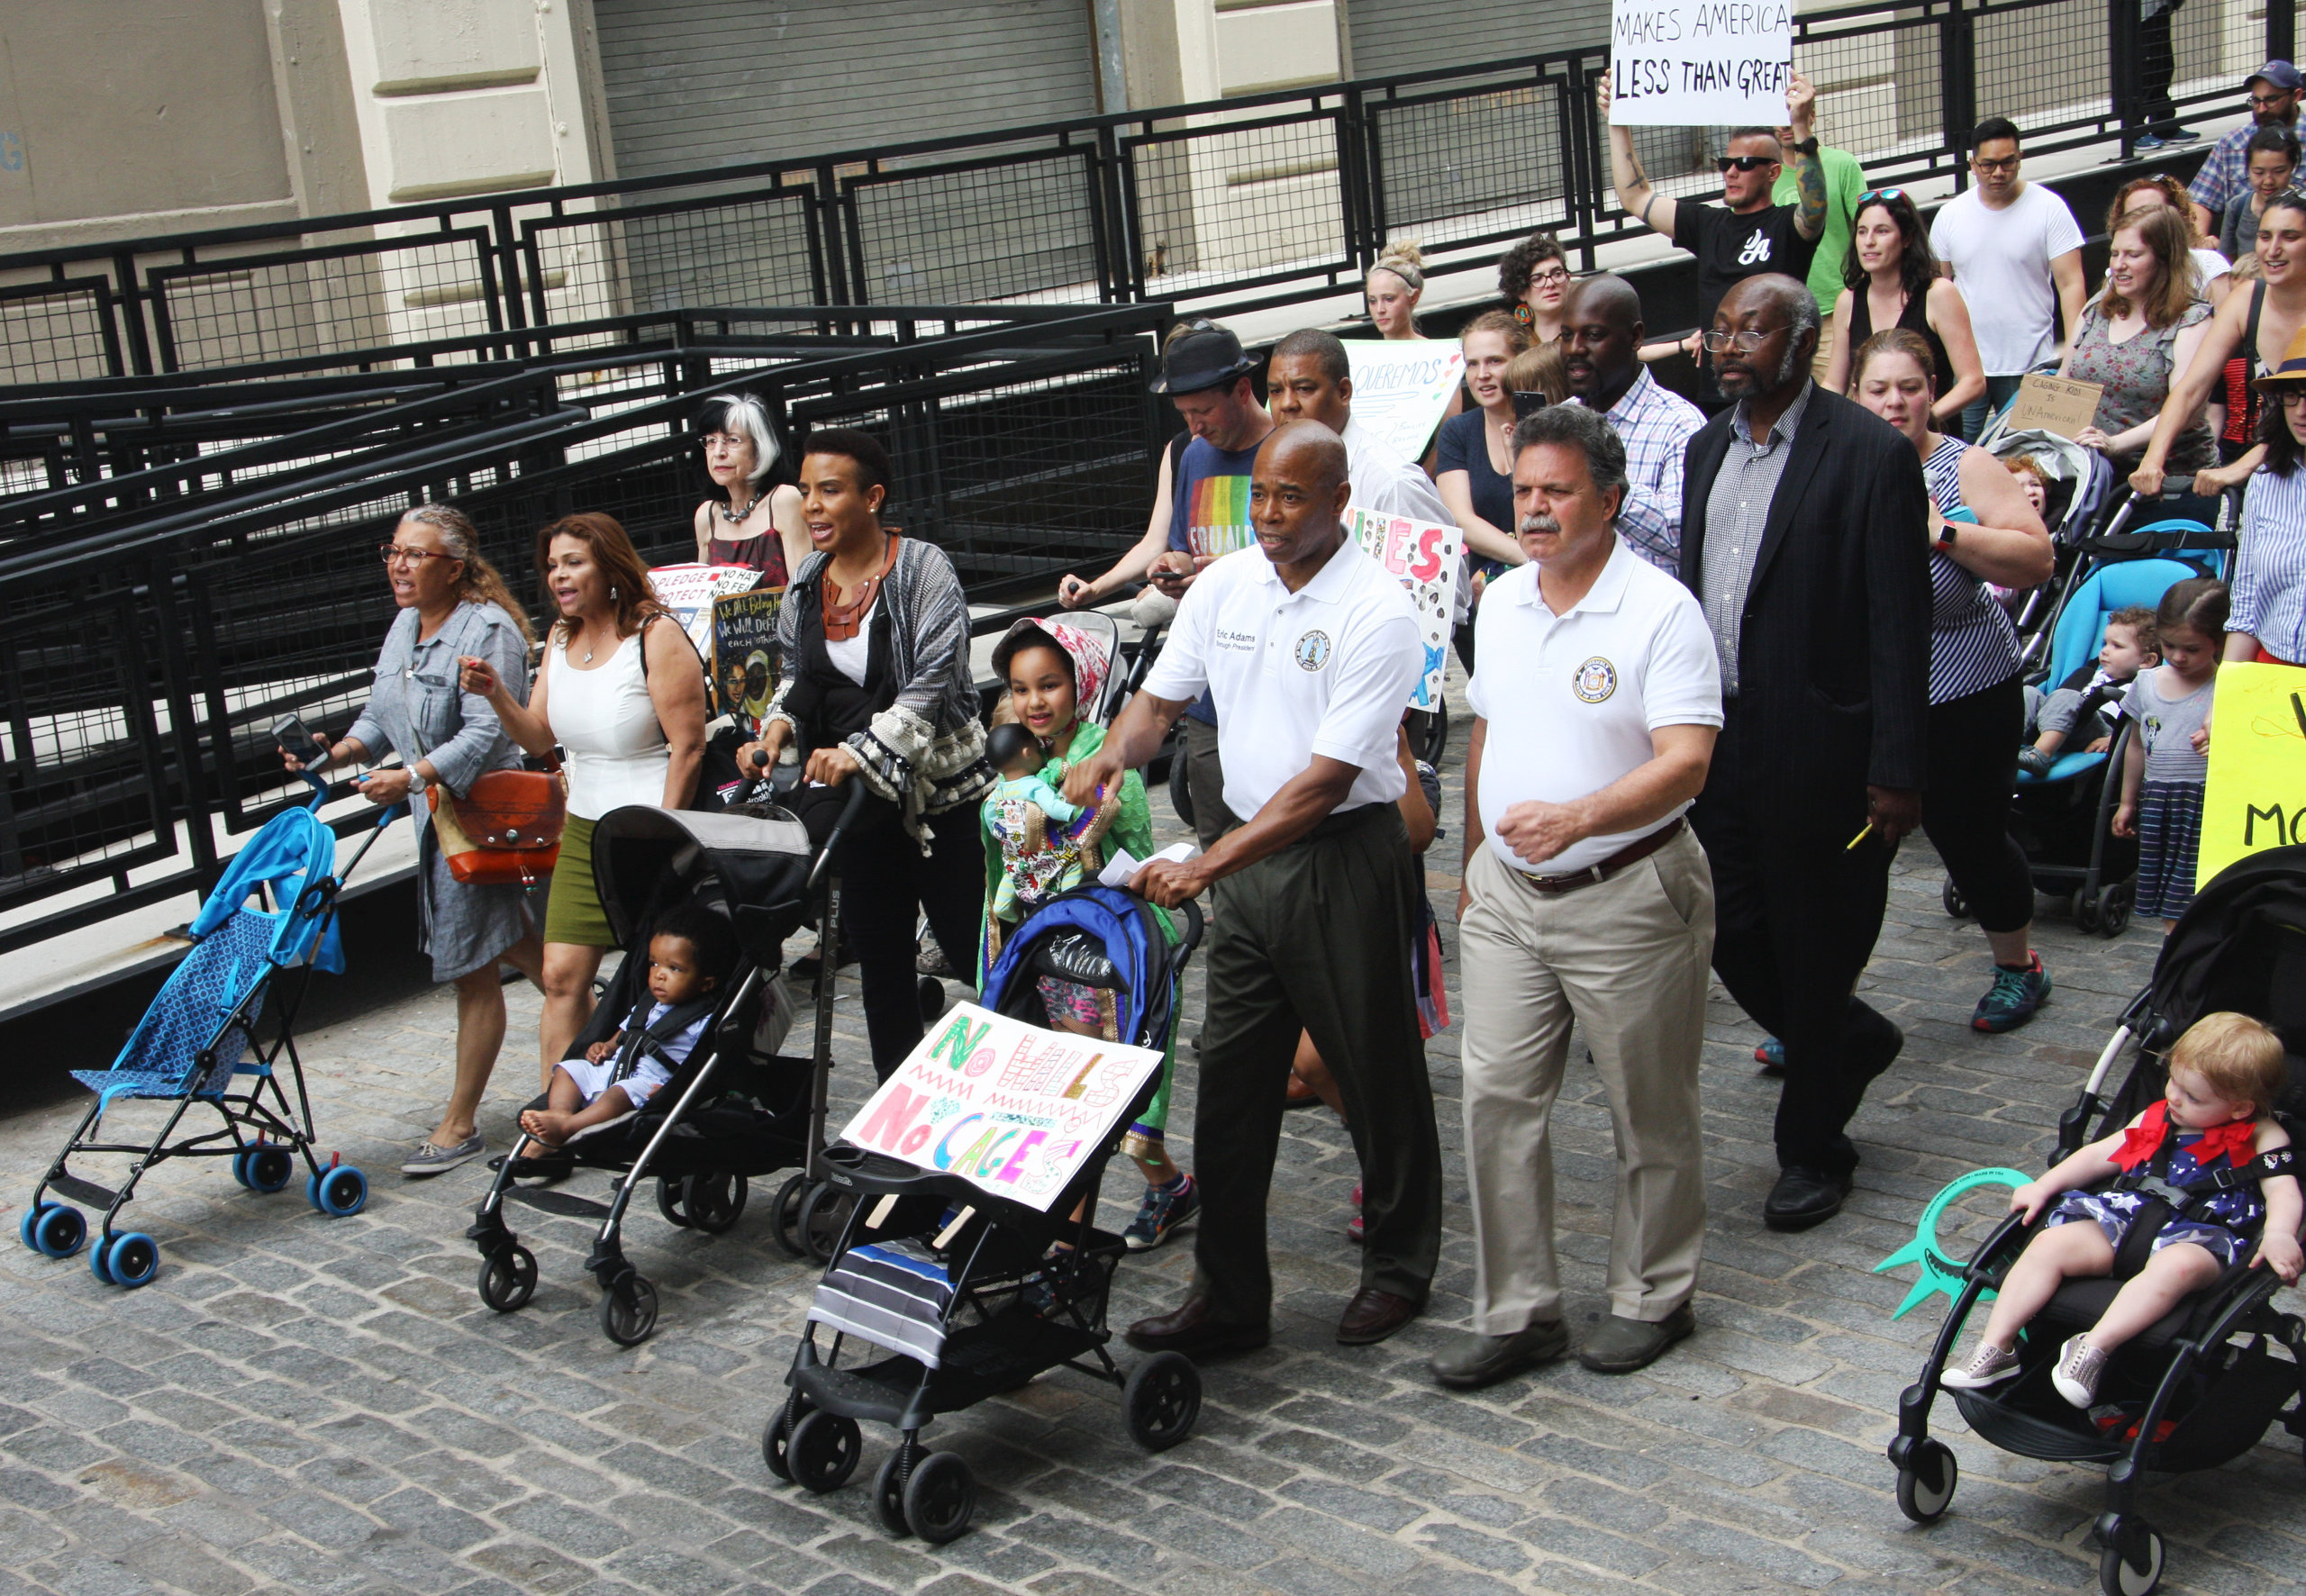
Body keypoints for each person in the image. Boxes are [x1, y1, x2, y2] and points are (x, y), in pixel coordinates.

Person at [1068, 422, 1439, 1352]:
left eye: (1291, 498)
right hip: (1246, 864)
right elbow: (1162, 701)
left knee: (1372, 1068)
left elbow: (1320, 785)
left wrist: (1203, 864)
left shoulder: (1379, 611)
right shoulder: (1226, 583)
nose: (1268, 516)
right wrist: (1112, 757)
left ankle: (1398, 1266)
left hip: (1342, 857)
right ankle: (1227, 1295)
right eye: (1259, 496)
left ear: (1338, 501)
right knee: (1231, 1074)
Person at [1426, 404, 1722, 1391]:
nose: (1537, 509)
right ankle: (1519, 1310)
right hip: (1509, 896)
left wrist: (1581, 818)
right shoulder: (1503, 602)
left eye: (1557, 491)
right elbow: (1488, 739)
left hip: (1630, 892)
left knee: (1649, 1107)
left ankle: (1653, 1295)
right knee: (1497, 1097)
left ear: (1610, 498)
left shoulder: (1660, 611)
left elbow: (1686, 764)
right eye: (1524, 492)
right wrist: (1474, 865)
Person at [1680, 275, 1932, 1231]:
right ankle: (1848, 1040)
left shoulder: (1865, 452)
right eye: (1721, 327)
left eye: (1753, 328)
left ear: (1803, 340)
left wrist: (1897, 768)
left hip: (1824, 745)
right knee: (1731, 930)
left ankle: (1814, 1148)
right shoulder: (1709, 448)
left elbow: (1896, 618)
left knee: (1817, 948)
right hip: (1719, 738)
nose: (1730, 343)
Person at [286, 505, 546, 1177]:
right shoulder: (406, 624)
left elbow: (488, 735)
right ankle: (608, 1025)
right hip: (437, 823)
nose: (399, 566)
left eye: (416, 555)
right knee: (515, 944)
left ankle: (460, 1125)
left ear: (454, 569)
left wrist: (412, 776)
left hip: (482, 818)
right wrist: (338, 751)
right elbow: (382, 712)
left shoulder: (486, 632)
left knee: (473, 970)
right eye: (393, 551)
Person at [732, 430, 992, 1080]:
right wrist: (777, 730)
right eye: (806, 492)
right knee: (881, 959)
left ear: (872, 497)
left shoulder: (922, 568)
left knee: (970, 949)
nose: (813, 507)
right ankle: (899, 1120)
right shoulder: (806, 581)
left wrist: (865, 751)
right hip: (858, 807)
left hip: (938, 798)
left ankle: (1020, 1076)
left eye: (830, 491)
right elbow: (796, 675)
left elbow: (934, 676)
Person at [1849, 330, 2056, 1033]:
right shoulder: (1838, 467)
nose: (1894, 402)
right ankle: (1822, 1004)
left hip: (1964, 690)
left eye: (1908, 387)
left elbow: (2035, 560)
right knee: (1848, 853)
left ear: (1932, 391)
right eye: (1878, 389)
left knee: (1969, 838)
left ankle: (2017, 966)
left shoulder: (1964, 467)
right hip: (1870, 698)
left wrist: (1943, 534)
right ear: (1855, 395)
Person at [1940, 1011, 2301, 1407]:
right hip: (2125, 1221)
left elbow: (2283, 1190)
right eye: (2172, 1082)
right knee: (2049, 1245)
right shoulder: (2160, 1115)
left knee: (2178, 1266)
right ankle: (1998, 1346)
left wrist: (2281, 1233)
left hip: (2200, 1238)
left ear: (2239, 1109)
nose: (2174, 1097)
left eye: (2193, 1096)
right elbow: (2100, 1155)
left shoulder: (2263, 1136)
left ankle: (2093, 1348)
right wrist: (2045, 1185)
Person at [459, 513, 707, 1087]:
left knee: (663, 978)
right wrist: (498, 692)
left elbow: (689, 747)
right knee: (561, 976)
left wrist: (668, 834)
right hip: (584, 827)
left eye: (574, 563)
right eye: (552, 566)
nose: (558, 577)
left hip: (651, 829)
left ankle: (651, 1094)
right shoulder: (561, 636)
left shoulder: (655, 634)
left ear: (611, 567)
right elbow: (540, 736)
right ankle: (553, 1111)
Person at [982, 618, 1196, 1249]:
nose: (1035, 702)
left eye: (1049, 685)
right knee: (1066, 1104)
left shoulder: (1109, 755)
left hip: (1109, 954)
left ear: (1082, 684)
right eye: (1021, 689)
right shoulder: (1019, 755)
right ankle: (1126, 1215)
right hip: (1046, 951)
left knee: (1106, 1112)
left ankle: (1087, 1237)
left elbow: (1125, 837)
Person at [1062, 320, 1273, 850]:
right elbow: (1177, 542)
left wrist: (1220, 572)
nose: (1195, 426)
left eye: (1203, 411)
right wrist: (1173, 569)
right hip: (1207, 690)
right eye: (1185, 415)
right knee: (1218, 837)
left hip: (1275, 679)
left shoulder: (1288, 451)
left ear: (1243, 390)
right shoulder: (1192, 454)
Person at [1598, 72, 1827, 403]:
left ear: (1773, 172)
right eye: (1725, 162)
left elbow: (1815, 210)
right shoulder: (1707, 224)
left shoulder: (1785, 225)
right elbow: (1636, 198)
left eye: (1745, 164)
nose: (1731, 172)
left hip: (1775, 388)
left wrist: (1802, 129)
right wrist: (1617, 122)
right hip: (1717, 392)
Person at [2131, 193, 2306, 500]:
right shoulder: (2247, 298)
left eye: (2290, 237)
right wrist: (2153, 459)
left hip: (2278, 454)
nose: (2273, 249)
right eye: (2265, 236)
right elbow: (2191, 388)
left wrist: (2245, 464)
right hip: (2271, 460)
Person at [516, 907, 734, 1148]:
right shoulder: (651, 1003)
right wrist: (607, 1046)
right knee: (568, 1070)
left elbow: (700, 1061)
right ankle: (560, 1112)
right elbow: (631, 1030)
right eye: (654, 964)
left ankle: (569, 1127)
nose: (659, 975)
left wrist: (674, 1090)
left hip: (650, 1083)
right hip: (616, 1068)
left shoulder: (703, 1019)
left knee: (619, 1093)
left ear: (706, 983)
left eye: (674, 969)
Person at [1929, 118, 2088, 438]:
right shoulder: (1950, 215)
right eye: (1988, 165)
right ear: (1972, 164)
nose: (1998, 173)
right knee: (1959, 455)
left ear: (2020, 158)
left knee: (2031, 459)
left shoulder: (2049, 208)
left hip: (2032, 364)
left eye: (2007, 163)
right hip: (1970, 367)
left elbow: (2071, 285)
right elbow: (1937, 290)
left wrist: (2073, 357)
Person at [1561, 275, 1709, 576]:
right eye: (1566, 335)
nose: (1575, 348)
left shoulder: (1680, 425)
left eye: (1593, 335)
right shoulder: (1560, 420)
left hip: (1648, 617)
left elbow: (1686, 540)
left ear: (1635, 337)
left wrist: (1605, 482)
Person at [2059, 206, 2218, 481]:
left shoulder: (2192, 320)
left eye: (2133, 255)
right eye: (2115, 253)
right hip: (2094, 472)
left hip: (2171, 479)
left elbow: (2188, 410)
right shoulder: (2098, 307)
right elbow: (2064, 380)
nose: (2119, 264)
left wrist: (2115, 443)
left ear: (2164, 259)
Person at [2112, 577, 2228, 930]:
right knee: (2169, 904)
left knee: (2194, 899)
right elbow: (2136, 744)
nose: (2178, 656)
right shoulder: (2146, 683)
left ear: (2219, 642)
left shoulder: (2224, 687)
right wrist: (2128, 801)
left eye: (2191, 649)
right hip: (2160, 801)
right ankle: (2176, 965)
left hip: (2203, 805)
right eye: (2169, 645)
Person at [1825, 189, 1987, 431]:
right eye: (1862, 231)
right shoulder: (1848, 301)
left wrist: (1921, 420)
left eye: (1882, 231)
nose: (1869, 241)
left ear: (1907, 238)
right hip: (1876, 441)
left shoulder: (1938, 293)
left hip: (1934, 438)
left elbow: (1973, 382)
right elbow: (1834, 384)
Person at [1264, 328, 1453, 526]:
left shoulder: (1393, 485)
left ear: (1344, 392)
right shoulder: (1270, 472)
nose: (1286, 404)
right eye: (1276, 391)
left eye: (1303, 389)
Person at [1437, 311, 1537, 667]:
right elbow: (1460, 517)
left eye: (1495, 361)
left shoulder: (1548, 421)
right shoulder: (1458, 432)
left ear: (1521, 361)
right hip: (1484, 600)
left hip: (1548, 595)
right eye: (1472, 363)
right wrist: (1529, 559)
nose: (1482, 375)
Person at [2229, 326, 2306, 665]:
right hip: (2272, 669)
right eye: (2293, 395)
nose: (2301, 411)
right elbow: (2246, 605)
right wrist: (2224, 697)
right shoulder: (2266, 480)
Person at [1771, 126, 1867, 380]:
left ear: (1810, 116)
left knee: (1839, 403)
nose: (1785, 125)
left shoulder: (1842, 164)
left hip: (1834, 314)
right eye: (1778, 117)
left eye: (1791, 117)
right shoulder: (1764, 175)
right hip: (1780, 320)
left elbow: (1864, 226)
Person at [2021, 605, 2158, 772]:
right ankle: (1998, 747)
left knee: (2067, 696)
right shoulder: (2090, 672)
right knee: (2028, 692)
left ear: (2146, 660)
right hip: (2056, 722)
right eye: (2105, 644)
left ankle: (2040, 756)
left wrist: (2114, 739)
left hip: (2097, 729)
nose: (2105, 651)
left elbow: (2148, 726)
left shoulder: (2144, 685)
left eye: (2117, 646)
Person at [690, 392, 807, 584]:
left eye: (732, 440)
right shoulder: (707, 515)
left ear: (759, 449)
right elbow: (703, 602)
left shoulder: (783, 500)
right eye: (711, 441)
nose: (718, 452)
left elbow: (802, 591)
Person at [981, 722, 1089, 923]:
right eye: (1038, 748)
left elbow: (991, 822)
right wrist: (1077, 810)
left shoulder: (998, 794)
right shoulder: (1034, 786)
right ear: (1027, 753)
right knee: (1072, 870)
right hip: (1052, 857)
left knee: (1001, 908)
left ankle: (1022, 924)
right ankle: (1070, 913)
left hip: (1018, 865)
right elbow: (1055, 809)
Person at [2188, 60, 2302, 239]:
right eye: (2256, 101)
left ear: (2296, 96)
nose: (2262, 109)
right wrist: (2200, 243)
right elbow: (2199, 201)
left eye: (2272, 99)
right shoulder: (2232, 143)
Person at [2107, 175, 2232, 307]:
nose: (2142, 221)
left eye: (2152, 213)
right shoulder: (2116, 273)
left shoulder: (2207, 265)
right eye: (2133, 215)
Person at [2220, 126, 2302, 262]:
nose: (2268, 181)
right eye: (2259, 172)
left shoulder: (2301, 206)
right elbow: (2227, 263)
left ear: (2292, 167)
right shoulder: (2237, 207)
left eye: (2279, 171)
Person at [2132, 0, 2200, 150]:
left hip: (2159, 8)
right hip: (2141, 13)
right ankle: (2135, 132)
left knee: (2164, 66)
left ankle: (2165, 127)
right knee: (2149, 68)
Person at [1496, 231, 1572, 342]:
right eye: (1537, 278)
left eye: (1557, 274)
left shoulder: (1587, 331)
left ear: (1568, 279)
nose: (1550, 283)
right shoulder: (1517, 344)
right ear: (1521, 292)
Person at [1366, 239, 1430, 340]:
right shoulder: (1365, 354)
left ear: (1413, 297)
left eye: (1389, 299)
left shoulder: (1435, 351)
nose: (1380, 310)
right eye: (1372, 301)